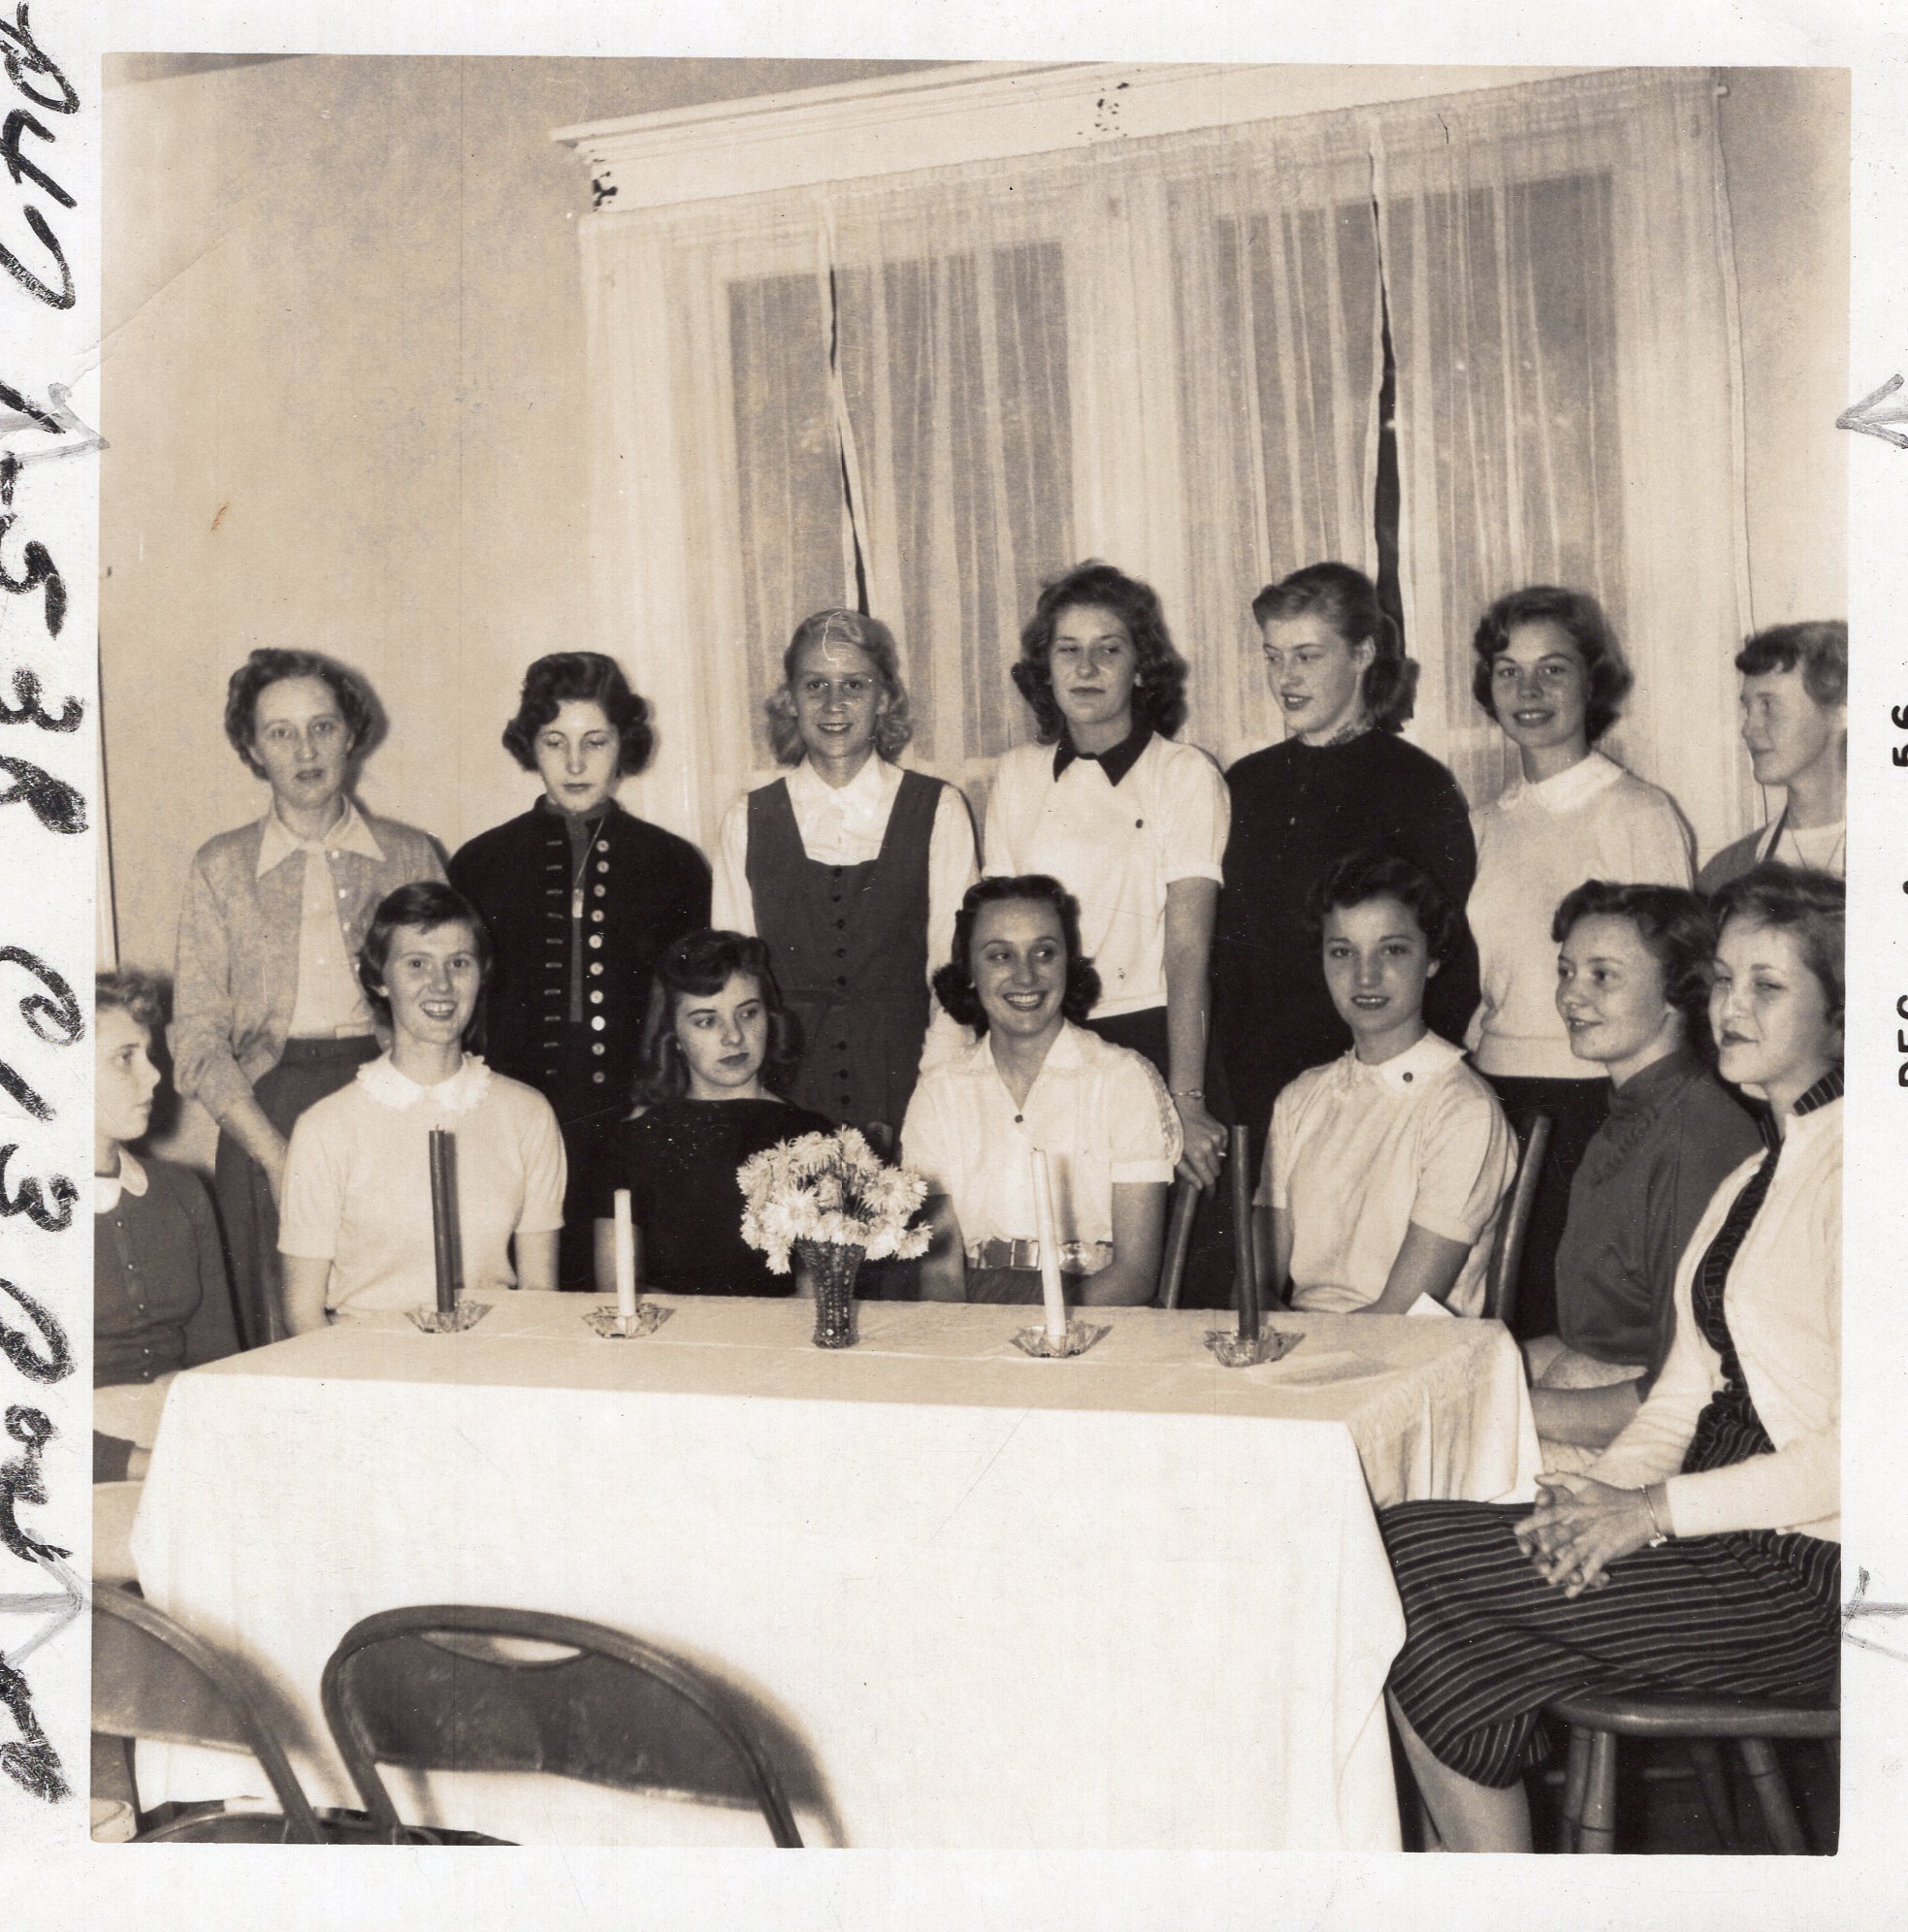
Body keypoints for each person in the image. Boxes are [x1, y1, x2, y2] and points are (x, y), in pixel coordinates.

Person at [1378, 864, 1842, 1852]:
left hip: (1823, 1577)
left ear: (1839, 1014)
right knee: (1395, 1549)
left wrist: (1648, 1513)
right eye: (1723, 980)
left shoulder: (1866, 1172)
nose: (1728, 1007)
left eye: (1766, 986)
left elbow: (1875, 1458)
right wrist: (1598, 1503)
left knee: (1400, 1567)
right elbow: (1682, 1394)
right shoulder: (1758, 1171)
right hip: (1727, 1535)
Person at [174, 648, 444, 1348]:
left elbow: (447, 1001)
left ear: (351, 735)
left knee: (402, 1315)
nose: (305, 750)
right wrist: (273, 1154)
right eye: (280, 732)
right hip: (265, 1111)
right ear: (251, 748)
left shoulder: (411, 854)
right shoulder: (220, 866)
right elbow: (197, 1038)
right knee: (284, 1334)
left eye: (322, 727)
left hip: (389, 1096)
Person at [1465, 586, 1694, 1339]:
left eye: (1552, 670)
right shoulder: (1480, 825)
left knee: (1569, 1329)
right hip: (1493, 1098)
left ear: (1590, 682)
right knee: (1494, 1321)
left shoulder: (1638, 812)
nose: (1527, 691)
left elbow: (1673, 983)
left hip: (1594, 1103)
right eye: (1507, 671)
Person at [1213, 563, 1479, 1192]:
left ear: (1362, 654)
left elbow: (1446, 957)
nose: (1285, 678)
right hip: (1253, 1077)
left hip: (1371, 1084)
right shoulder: (1244, 784)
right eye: (1273, 657)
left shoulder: (1416, 785)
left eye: (1306, 656)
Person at [448, 652, 710, 1288]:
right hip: (511, 1123)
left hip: (633, 1119)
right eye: (554, 741)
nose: (574, 763)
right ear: (529, 745)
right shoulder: (480, 864)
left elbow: (685, 1007)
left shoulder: (673, 865)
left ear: (624, 745)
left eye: (595, 742)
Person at [985, 563, 1228, 1191]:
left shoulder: (1183, 774)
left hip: (1154, 1037)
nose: (1086, 668)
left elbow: (1187, 952)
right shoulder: (1017, 775)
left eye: (1108, 649)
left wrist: (1186, 1099)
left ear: (1140, 666)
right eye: (1068, 650)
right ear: (1045, 668)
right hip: (1042, 1039)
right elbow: (995, 941)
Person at [712, 608, 977, 1143]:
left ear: (884, 699)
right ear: (791, 700)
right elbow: (733, 986)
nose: (834, 704)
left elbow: (951, 968)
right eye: (816, 685)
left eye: (854, 684)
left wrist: (936, 1087)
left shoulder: (939, 809)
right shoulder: (747, 819)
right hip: (786, 1088)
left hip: (911, 1076)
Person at [1528, 883, 1762, 1467]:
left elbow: (1688, 1388)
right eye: (1566, 971)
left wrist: (1498, 1408)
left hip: (1652, 1435)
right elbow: (1593, 1335)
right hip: (1592, 1390)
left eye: (1602, 975)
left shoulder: (1694, 1136)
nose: (1570, 995)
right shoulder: (1635, 1111)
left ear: (1676, 994)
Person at [279, 883, 566, 1331]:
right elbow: (302, 1312)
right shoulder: (325, 1128)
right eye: (417, 964)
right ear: (379, 979)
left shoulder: (527, 1115)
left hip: (491, 1357)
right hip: (366, 1363)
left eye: (459, 963)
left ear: (481, 975)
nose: (442, 985)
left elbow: (539, 1294)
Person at [1253, 852, 1513, 1317]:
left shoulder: (1462, 1109)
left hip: (1413, 1350)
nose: (1365, 976)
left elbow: (1398, 1313)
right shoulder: (1300, 1098)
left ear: (1432, 958)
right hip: (1301, 1344)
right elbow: (1252, 1291)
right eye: (1342, 952)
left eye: (1392, 950)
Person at [902, 876, 1181, 1306]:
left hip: (1092, 1306)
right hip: (976, 1310)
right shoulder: (939, 1092)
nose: (1026, 975)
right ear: (969, 971)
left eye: (1044, 952)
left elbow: (1135, 1275)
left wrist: (1047, 1330)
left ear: (1068, 963)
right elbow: (939, 1275)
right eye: (1000, 956)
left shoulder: (1123, 1078)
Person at [592, 930, 832, 1299]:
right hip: (668, 1334)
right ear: (673, 1035)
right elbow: (617, 1291)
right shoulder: (633, 1141)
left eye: (748, 1013)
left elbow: (817, 1296)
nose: (733, 1036)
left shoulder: (813, 1138)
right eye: (706, 1021)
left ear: (770, 1017)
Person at [93, 971, 238, 1572]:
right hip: (77, 1467)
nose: (155, 1076)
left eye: (148, 1055)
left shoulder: (181, 1191)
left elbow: (220, 1364)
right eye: (125, 1057)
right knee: (193, 1550)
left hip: (182, 1433)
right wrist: (145, 1463)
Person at [1698, 621, 1847, 891]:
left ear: (1842, 712)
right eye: (1748, 708)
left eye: (1768, 705)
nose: (1747, 728)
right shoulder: (1724, 875)